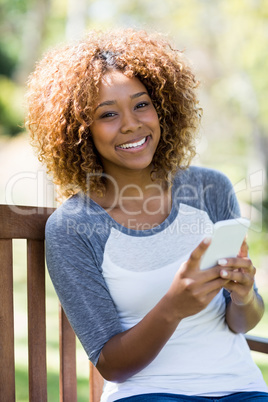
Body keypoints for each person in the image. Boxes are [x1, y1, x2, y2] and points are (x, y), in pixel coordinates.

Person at [26, 28, 268, 401]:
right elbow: (111, 363)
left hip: (241, 388)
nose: (131, 124)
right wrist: (172, 308)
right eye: (108, 114)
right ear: (79, 132)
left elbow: (242, 323)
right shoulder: (74, 227)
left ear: (163, 108)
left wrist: (243, 295)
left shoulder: (211, 190)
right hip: (148, 392)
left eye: (141, 104)